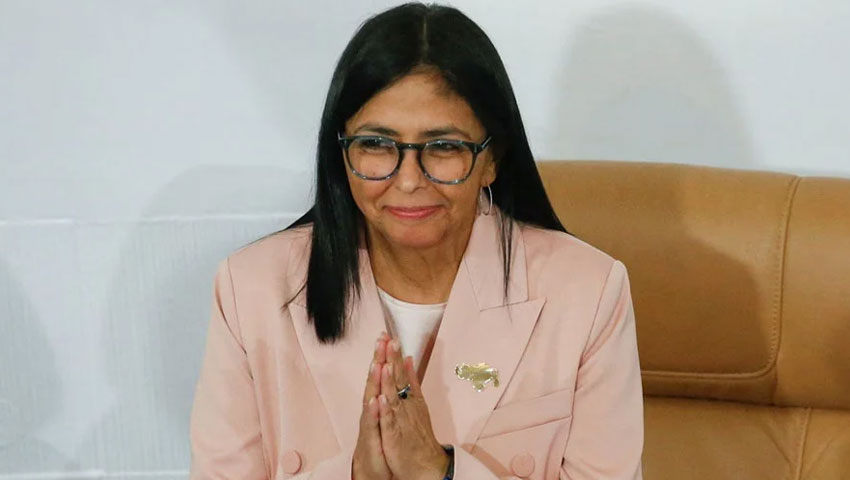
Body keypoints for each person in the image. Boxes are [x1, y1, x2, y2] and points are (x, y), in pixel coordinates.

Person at [189, 3, 643, 479]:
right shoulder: (251, 289)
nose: (408, 181)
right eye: (376, 144)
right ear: (341, 153)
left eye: (444, 147)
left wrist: (438, 472)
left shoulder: (587, 291)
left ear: (492, 158)